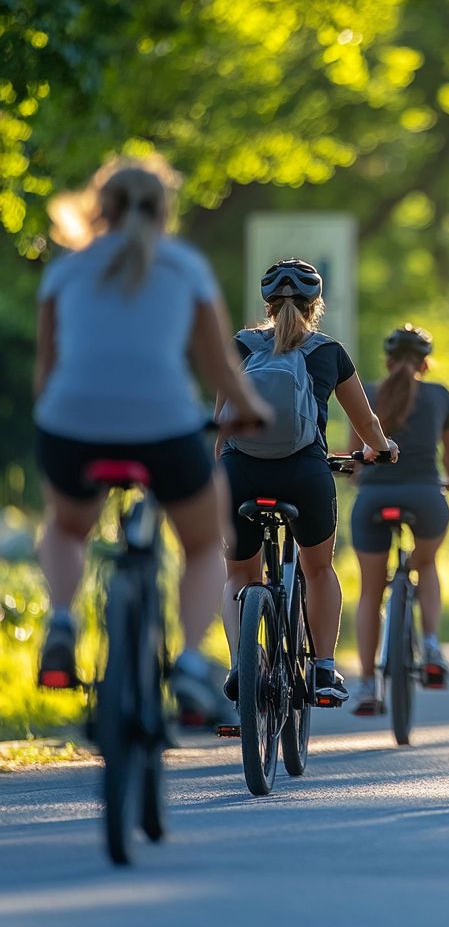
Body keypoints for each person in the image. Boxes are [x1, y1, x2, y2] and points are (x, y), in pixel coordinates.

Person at [33, 157, 271, 716]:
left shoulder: (66, 269)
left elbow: (47, 369)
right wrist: (252, 410)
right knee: (206, 542)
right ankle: (190, 662)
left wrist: (65, 417)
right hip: (163, 426)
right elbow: (221, 368)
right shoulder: (184, 266)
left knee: (67, 529)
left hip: (71, 423)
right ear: (166, 210)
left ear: (99, 209)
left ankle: (61, 620)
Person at [217, 259, 398, 707]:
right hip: (305, 475)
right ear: (316, 304)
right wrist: (382, 447)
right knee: (318, 570)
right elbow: (366, 422)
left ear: (268, 304)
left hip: (240, 472)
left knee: (239, 574)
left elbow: (220, 422)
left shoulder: (240, 346)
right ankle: (322, 669)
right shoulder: (329, 352)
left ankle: (242, 663)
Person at [349, 324, 449, 711]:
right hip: (426, 497)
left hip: (373, 499)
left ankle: (367, 685)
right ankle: (431, 645)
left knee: (370, 591)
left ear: (388, 360)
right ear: (425, 364)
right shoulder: (439, 395)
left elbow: (356, 458)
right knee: (427, 563)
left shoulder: (366, 393)